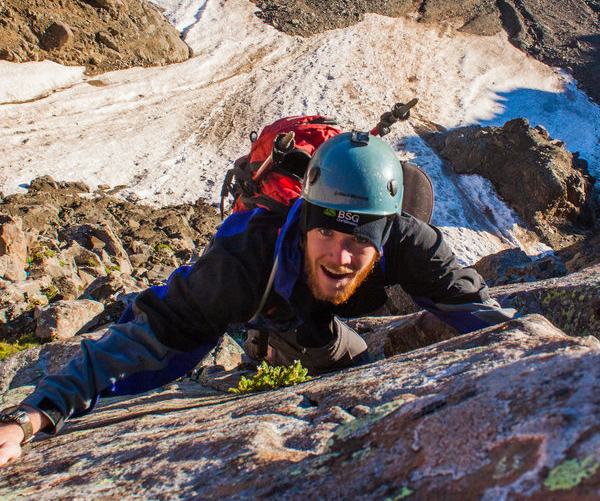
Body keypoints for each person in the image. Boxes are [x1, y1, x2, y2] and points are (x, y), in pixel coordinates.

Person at [0, 131, 517, 466]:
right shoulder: (247, 257)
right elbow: (150, 332)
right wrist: (31, 416)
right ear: (305, 222)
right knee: (323, 350)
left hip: (304, 306)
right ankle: (262, 341)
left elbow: (475, 309)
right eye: (329, 234)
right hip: (278, 307)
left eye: (361, 239)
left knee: (354, 361)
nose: (341, 255)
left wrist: (540, 349)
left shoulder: (410, 244)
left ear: (386, 237)